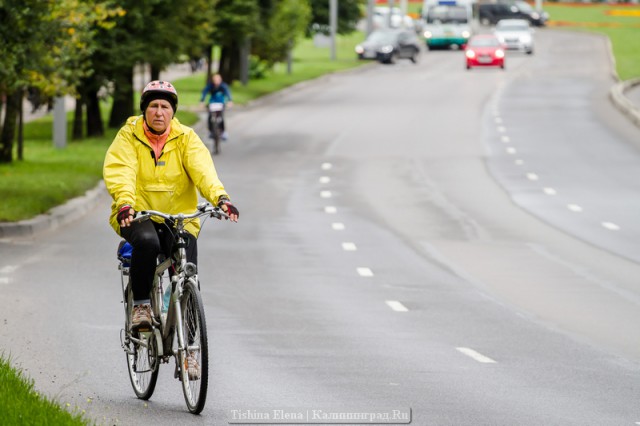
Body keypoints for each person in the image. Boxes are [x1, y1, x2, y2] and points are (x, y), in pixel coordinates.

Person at [103, 80, 239, 337]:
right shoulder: (128, 136)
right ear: (144, 110)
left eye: (165, 106)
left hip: (178, 218)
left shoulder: (186, 137)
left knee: (188, 274)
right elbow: (121, 170)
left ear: (172, 111)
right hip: (137, 212)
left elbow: (203, 171)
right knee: (147, 242)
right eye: (153, 106)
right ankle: (141, 305)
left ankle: (189, 347)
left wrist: (221, 198)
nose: (159, 112)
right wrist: (124, 203)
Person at [200, 73, 233, 141]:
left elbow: (227, 92)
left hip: (221, 104)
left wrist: (230, 100)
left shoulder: (223, 86)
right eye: (215, 80)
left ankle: (223, 132)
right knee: (210, 117)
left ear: (220, 80)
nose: (216, 81)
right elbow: (205, 92)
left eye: (218, 79)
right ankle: (211, 131)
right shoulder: (210, 86)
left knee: (221, 118)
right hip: (212, 103)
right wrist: (202, 100)